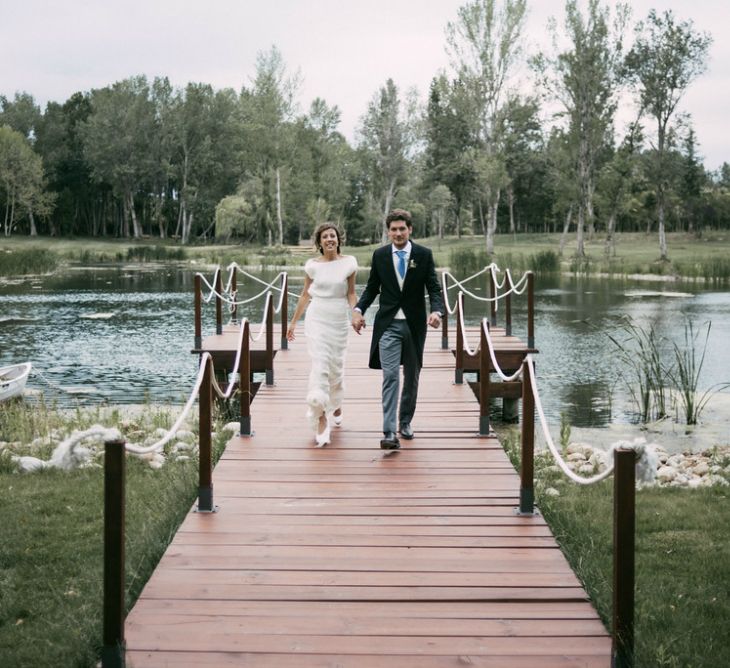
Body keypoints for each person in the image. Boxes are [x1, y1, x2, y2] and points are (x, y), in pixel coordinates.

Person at [351, 209, 444, 449]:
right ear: (388, 231)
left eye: (402, 228)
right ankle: (389, 432)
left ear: (410, 229)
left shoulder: (423, 255)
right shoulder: (380, 255)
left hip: (414, 326)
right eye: (394, 229)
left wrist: (436, 311)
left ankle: (405, 422)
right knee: (390, 375)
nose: (398, 233)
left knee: (411, 376)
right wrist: (359, 310)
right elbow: (372, 288)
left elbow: (434, 289)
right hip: (388, 325)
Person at [287, 223, 358, 446]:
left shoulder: (349, 263)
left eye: (333, 236)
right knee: (320, 364)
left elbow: (352, 293)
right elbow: (305, 296)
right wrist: (292, 323)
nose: (329, 239)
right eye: (325, 236)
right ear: (319, 242)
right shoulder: (312, 266)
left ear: (338, 239)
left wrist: (356, 314)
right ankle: (321, 418)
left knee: (336, 365)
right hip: (317, 317)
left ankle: (336, 402)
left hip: (338, 318)